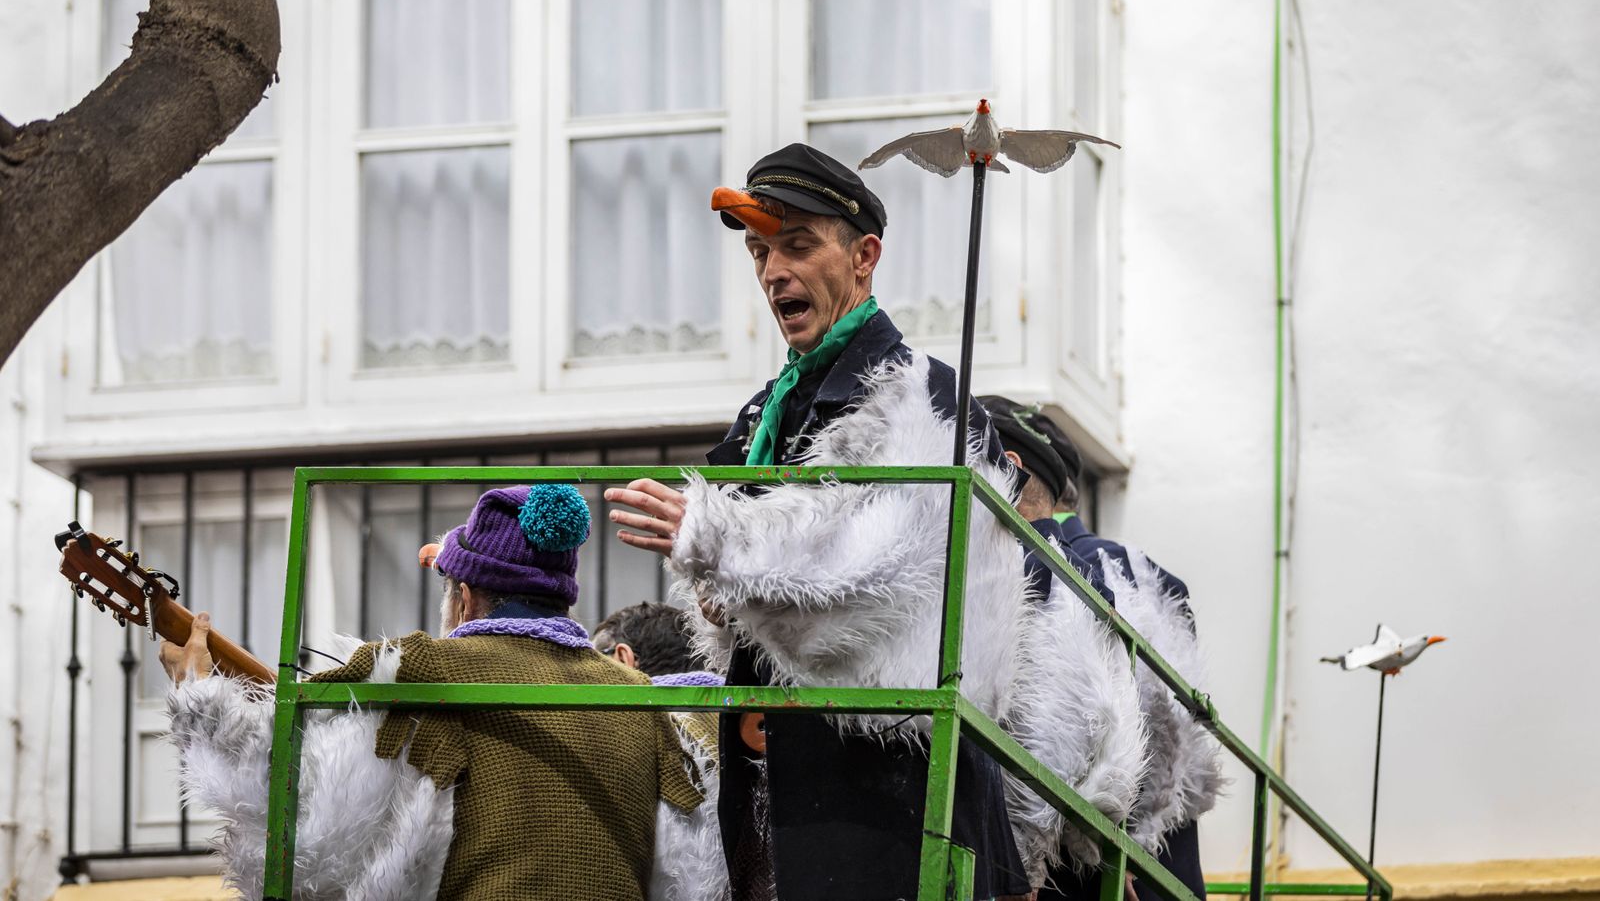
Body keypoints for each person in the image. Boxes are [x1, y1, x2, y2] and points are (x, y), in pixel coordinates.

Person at [605, 144, 1146, 901]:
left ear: (864, 257)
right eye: (761, 251)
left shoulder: (924, 399)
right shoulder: (764, 414)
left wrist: (719, 542)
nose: (771, 272)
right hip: (773, 782)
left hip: (885, 792)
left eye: (797, 245)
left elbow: (870, 574)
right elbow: (725, 580)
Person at [161, 485, 707, 901]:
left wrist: (199, 695)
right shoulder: (638, 697)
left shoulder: (419, 670)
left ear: (464, 599)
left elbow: (289, 803)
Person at [979, 397, 1221, 901]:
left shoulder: (1062, 566)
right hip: (1160, 854)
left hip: (1081, 859)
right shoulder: (1148, 572)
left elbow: (1096, 716)